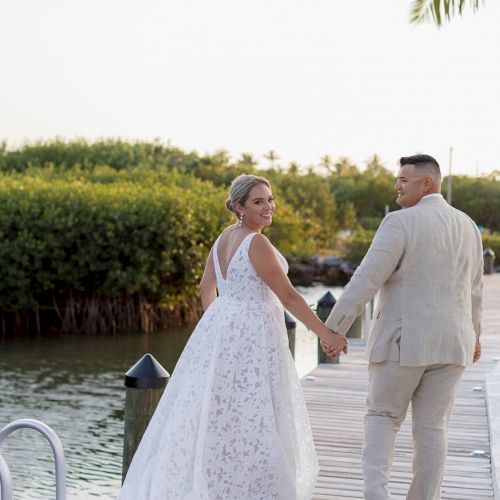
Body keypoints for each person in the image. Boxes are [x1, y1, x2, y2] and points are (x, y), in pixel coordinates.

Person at [117, 174, 347, 500]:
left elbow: (205, 288)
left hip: (224, 334)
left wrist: (219, 328)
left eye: (269, 199)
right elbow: (290, 297)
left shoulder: (224, 238)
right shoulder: (257, 243)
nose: (268, 207)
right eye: (258, 202)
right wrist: (327, 333)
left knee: (226, 415)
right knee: (257, 413)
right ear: (240, 207)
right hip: (255, 337)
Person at [321, 154, 483, 500]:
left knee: (382, 417)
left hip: (402, 343)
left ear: (427, 183)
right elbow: (475, 289)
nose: (397, 185)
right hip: (453, 345)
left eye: (403, 180)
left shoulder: (399, 222)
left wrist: (333, 328)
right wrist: (476, 336)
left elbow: (366, 278)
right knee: (433, 429)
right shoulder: (468, 225)